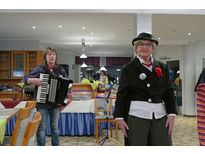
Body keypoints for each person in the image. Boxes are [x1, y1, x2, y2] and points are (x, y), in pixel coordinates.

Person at [114, 32, 177, 146]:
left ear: (153, 48)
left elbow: (168, 91)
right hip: (137, 116)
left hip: (159, 115)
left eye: (148, 44)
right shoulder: (128, 68)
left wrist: (172, 114)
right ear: (136, 48)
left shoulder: (162, 67)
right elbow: (122, 94)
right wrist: (119, 117)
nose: (144, 47)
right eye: (140, 44)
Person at [23, 47, 67, 146]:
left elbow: (66, 84)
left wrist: (65, 91)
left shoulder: (60, 70)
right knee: (42, 128)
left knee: (55, 128)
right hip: (42, 104)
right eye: (49, 54)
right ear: (45, 57)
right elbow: (25, 79)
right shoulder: (40, 69)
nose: (52, 56)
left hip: (55, 105)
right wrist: (34, 80)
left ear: (56, 57)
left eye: (53, 54)